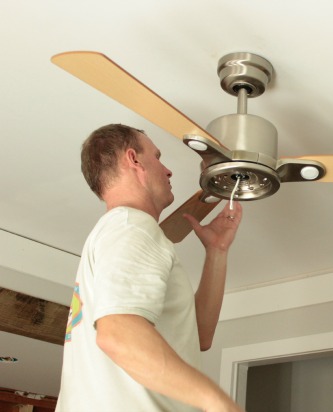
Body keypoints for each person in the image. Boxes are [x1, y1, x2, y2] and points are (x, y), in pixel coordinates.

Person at [55, 124, 244, 412]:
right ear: (133, 159)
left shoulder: (122, 231)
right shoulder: (133, 226)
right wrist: (219, 403)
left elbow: (199, 336)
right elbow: (118, 333)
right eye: (157, 156)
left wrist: (216, 251)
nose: (168, 171)